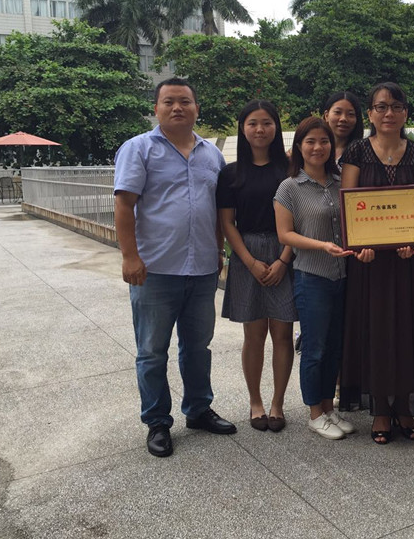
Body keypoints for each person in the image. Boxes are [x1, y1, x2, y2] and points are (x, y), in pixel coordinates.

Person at [114, 78, 236, 458]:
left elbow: (217, 210)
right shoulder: (138, 149)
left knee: (198, 346)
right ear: (156, 108)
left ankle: (198, 409)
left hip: (201, 269)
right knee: (152, 351)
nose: (177, 107)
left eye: (185, 101)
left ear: (197, 108)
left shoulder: (212, 155)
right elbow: (124, 205)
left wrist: (218, 250)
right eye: (169, 102)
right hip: (155, 270)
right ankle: (157, 422)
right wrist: (130, 256)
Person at [339, 81, 414, 444]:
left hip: (408, 260)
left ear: (406, 114)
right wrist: (358, 247)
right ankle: (381, 407)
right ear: (370, 113)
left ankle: (405, 406)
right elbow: (348, 204)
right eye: (381, 107)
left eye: (396, 107)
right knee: (375, 329)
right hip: (368, 262)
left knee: (408, 328)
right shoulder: (356, 151)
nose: (389, 113)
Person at [274, 117, 358, 440]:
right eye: (310, 141)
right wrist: (322, 245)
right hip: (312, 277)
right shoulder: (289, 187)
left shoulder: (340, 182)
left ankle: (328, 407)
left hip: (342, 276)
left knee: (335, 346)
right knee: (315, 348)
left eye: (324, 141)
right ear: (299, 146)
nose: (318, 147)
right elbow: (285, 234)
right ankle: (314, 413)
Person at [217, 100, 297, 433]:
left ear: (276, 127)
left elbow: (300, 217)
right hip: (246, 252)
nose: (260, 129)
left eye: (266, 123)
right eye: (252, 123)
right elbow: (227, 223)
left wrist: (283, 260)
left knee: (283, 333)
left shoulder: (291, 169)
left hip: (285, 250)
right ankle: (256, 403)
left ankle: (278, 404)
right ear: (243, 128)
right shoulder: (231, 173)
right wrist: (249, 262)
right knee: (253, 335)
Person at [322, 91, 365, 162]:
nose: (343, 119)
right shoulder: (316, 150)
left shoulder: (363, 154)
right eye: (338, 112)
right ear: (326, 115)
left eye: (350, 114)